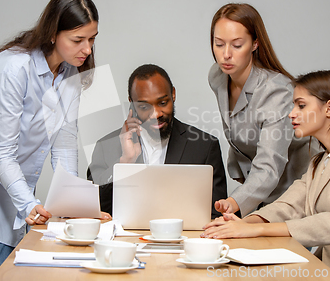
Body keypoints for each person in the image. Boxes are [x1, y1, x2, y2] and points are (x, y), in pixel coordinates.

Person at [0, 0, 107, 281]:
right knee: (9, 276)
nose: (87, 49)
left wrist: (75, 203)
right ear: (54, 33)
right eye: (78, 40)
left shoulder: (69, 74)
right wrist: (28, 203)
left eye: (92, 39)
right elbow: (1, 154)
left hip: (11, 189)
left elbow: (64, 144)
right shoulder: (14, 67)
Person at [202, 70, 330, 280]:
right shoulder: (318, 162)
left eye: (301, 105)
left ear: (329, 108)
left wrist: (255, 230)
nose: (291, 113)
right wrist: (240, 224)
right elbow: (288, 206)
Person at [208, 3, 314, 217]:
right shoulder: (217, 77)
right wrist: (238, 170)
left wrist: (235, 200)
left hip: (296, 186)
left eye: (237, 45)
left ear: (255, 44)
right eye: (219, 44)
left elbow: (270, 163)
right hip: (259, 186)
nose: (225, 54)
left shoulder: (277, 91)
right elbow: (237, 123)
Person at [87, 64, 228, 218]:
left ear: (173, 94)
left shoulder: (205, 146)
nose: (155, 114)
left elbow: (217, 215)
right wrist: (125, 162)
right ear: (132, 102)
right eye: (144, 106)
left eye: (162, 103)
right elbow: (93, 209)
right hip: (125, 240)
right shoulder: (105, 146)